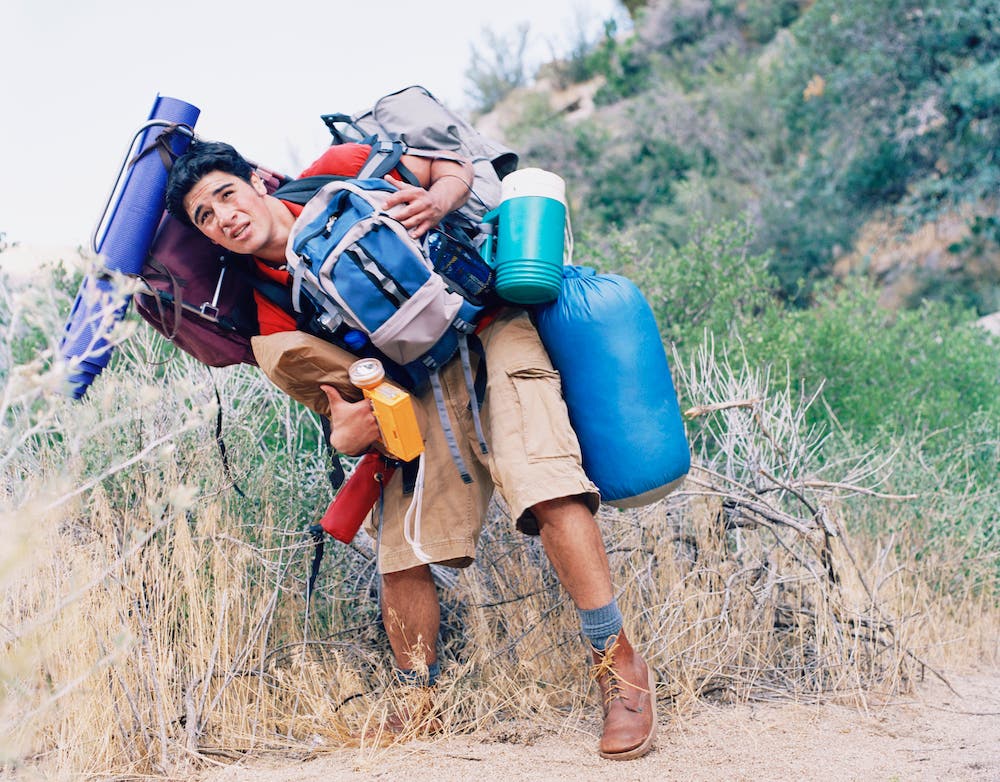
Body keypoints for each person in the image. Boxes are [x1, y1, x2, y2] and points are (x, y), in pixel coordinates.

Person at [164, 139, 657, 761]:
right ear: (206, 237)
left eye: (226, 195)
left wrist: (441, 194)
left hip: (488, 331)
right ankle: (418, 699)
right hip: (411, 383)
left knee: (545, 485)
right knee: (400, 545)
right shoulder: (267, 312)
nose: (224, 217)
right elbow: (335, 409)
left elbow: (446, 163)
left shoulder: (341, 170)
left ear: (257, 182)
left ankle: (618, 667)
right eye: (205, 217)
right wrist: (346, 431)